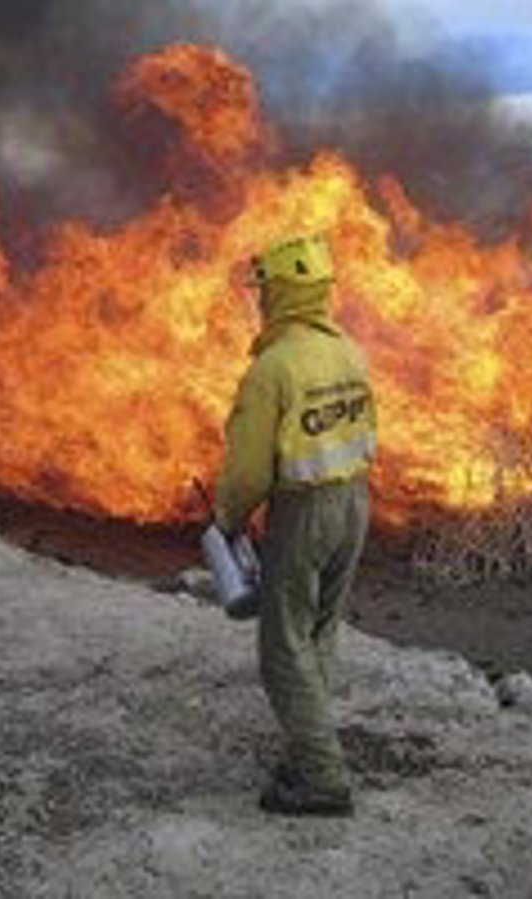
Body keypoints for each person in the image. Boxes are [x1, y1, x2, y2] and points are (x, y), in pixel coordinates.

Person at [214, 234, 377, 817]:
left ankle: (322, 776)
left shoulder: (274, 368)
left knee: (283, 647)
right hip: (355, 503)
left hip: (305, 513)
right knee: (318, 634)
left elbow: (248, 470)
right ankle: (307, 747)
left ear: (283, 292)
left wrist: (228, 520)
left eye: (266, 290)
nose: (259, 300)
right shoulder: (348, 352)